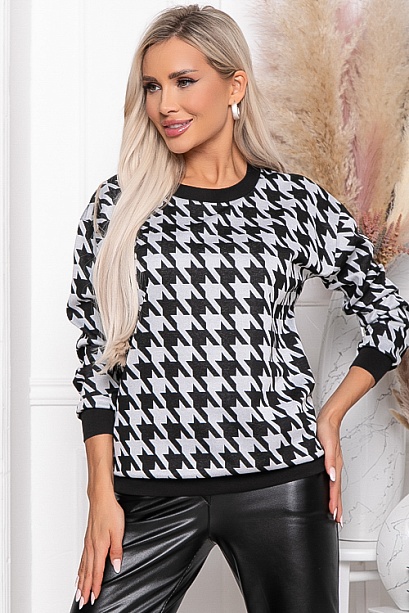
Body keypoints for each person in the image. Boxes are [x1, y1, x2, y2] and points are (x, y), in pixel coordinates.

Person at [67, 4, 409, 613]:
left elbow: (389, 311)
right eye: (152, 86)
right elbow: (94, 356)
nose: (165, 104)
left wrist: (330, 415)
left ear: (235, 85)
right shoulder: (116, 206)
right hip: (149, 485)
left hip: (281, 477)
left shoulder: (293, 202)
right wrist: (101, 492)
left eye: (184, 81)